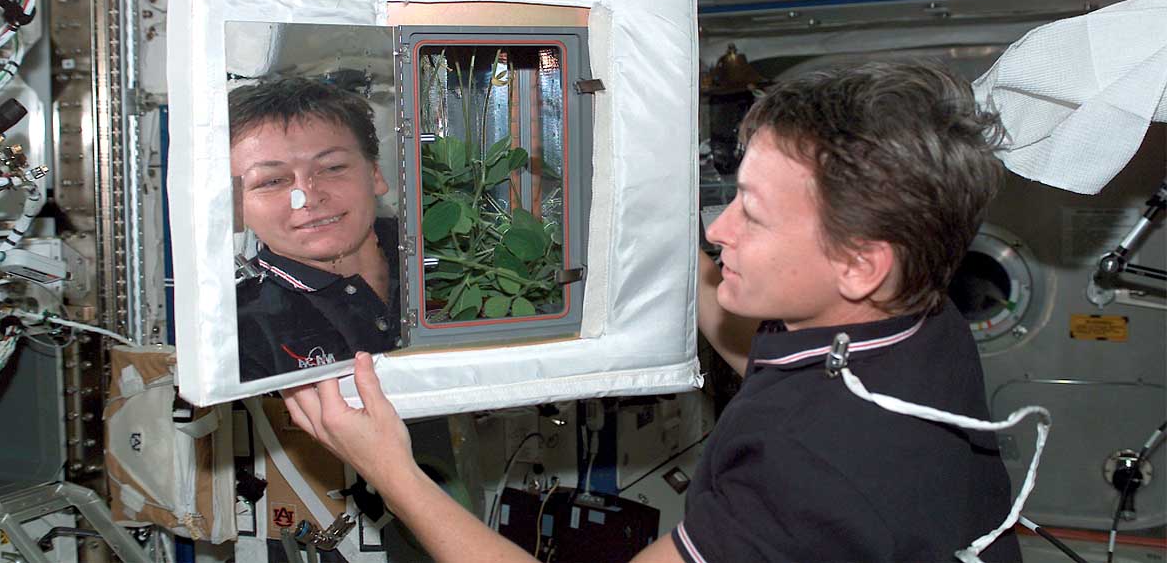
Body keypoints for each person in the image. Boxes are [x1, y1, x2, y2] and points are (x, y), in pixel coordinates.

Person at [282, 62, 1022, 561]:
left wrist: (390, 467)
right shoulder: (918, 321)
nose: (719, 229)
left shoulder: (809, 473)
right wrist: (627, 191)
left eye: (753, 216)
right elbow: (772, 363)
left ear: (862, 263)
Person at [228, 78, 401, 382]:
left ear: (375, 174)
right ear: (236, 207)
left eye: (332, 168)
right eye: (271, 181)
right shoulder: (238, 332)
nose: (308, 197)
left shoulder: (452, 260)